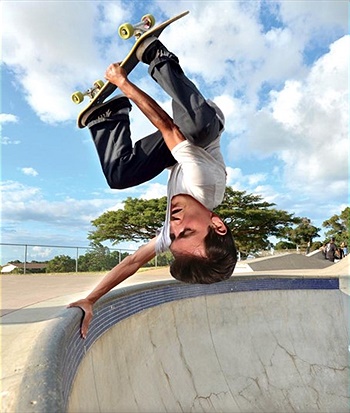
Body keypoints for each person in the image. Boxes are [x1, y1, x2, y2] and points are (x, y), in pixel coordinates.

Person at [69, 38, 237, 338]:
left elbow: (133, 261)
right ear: (217, 225)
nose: (174, 224)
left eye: (173, 236)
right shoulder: (207, 183)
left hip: (173, 149)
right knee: (198, 129)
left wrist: (91, 298)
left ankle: (109, 118)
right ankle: (158, 57)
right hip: (202, 122)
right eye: (186, 231)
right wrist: (123, 82)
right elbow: (167, 127)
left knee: (118, 176)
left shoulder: (171, 232)